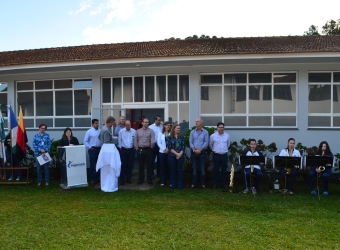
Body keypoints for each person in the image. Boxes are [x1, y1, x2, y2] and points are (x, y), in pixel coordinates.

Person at [96, 116, 121, 192]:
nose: (113, 124)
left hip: (104, 149)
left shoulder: (103, 127)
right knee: (109, 168)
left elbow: (99, 137)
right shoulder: (106, 130)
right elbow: (107, 143)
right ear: (110, 122)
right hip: (107, 152)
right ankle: (110, 184)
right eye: (113, 123)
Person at [209, 122, 230, 189]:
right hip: (216, 155)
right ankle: (215, 184)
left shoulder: (227, 136)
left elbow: (228, 144)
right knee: (216, 170)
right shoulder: (213, 136)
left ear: (224, 128)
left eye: (222, 127)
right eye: (220, 127)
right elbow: (210, 145)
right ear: (217, 128)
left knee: (224, 170)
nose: (221, 129)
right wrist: (215, 150)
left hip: (224, 155)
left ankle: (224, 184)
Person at [189, 117, 209, 189]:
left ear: (201, 123)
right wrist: (194, 150)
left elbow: (206, 142)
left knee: (202, 168)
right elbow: (190, 142)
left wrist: (200, 150)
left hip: (202, 152)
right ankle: (193, 183)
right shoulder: (192, 132)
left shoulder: (205, 132)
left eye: (197, 121)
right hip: (194, 152)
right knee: (194, 168)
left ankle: (202, 184)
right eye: (195, 121)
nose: (196, 122)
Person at [134, 117, 154, 185]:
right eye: (145, 122)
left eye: (148, 122)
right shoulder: (138, 131)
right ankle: (141, 180)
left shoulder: (151, 131)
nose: (147, 123)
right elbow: (135, 140)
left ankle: (149, 180)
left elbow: (152, 140)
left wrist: (150, 148)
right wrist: (137, 148)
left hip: (148, 150)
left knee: (149, 166)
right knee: (141, 166)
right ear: (142, 123)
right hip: (140, 150)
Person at [167, 124, 185, 189]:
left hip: (180, 156)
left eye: (179, 128)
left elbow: (183, 147)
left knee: (180, 170)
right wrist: (176, 154)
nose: (179, 129)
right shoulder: (169, 137)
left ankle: (180, 185)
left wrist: (180, 154)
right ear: (174, 129)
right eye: (177, 128)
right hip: (172, 156)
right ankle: (173, 184)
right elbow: (169, 148)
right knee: (172, 171)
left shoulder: (181, 137)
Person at [83, 119, 102, 184]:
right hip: (92, 150)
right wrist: (90, 147)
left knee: (99, 164)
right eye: (96, 123)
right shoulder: (89, 131)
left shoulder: (100, 131)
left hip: (99, 149)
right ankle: (92, 178)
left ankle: (97, 178)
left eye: (98, 123)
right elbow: (85, 141)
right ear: (92, 124)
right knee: (93, 164)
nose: (97, 124)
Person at [118, 120, 136, 185]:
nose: (128, 126)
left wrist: (135, 147)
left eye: (129, 125)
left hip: (131, 150)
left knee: (130, 165)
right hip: (124, 150)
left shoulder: (134, 131)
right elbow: (119, 140)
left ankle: (129, 179)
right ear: (125, 125)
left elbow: (135, 140)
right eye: (127, 125)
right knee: (123, 165)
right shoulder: (121, 131)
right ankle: (122, 180)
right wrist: (120, 147)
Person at [157, 121, 170, 186]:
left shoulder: (171, 133)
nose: (168, 126)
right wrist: (164, 149)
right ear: (164, 126)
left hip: (169, 152)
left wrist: (168, 149)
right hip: (162, 152)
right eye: (167, 125)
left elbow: (171, 143)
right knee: (162, 166)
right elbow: (158, 143)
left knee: (169, 166)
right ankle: (163, 181)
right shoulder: (160, 133)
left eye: (169, 125)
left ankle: (170, 180)